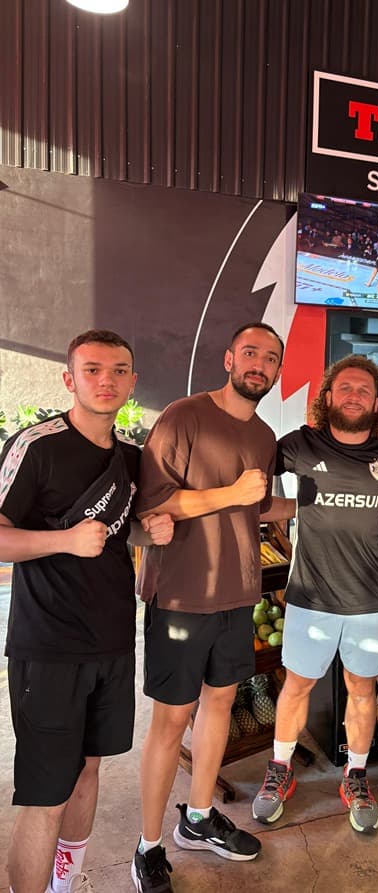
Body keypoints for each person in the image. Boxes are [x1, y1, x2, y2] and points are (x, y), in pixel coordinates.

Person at [0, 330, 174, 893]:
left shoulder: (131, 456)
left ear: (133, 381)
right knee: (45, 797)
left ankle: (64, 883)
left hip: (113, 642)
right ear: (69, 379)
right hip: (49, 648)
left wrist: (150, 531)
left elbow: (118, 534)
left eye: (118, 370)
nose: (106, 380)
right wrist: (64, 541)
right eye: (92, 370)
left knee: (89, 770)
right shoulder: (37, 446)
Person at [129, 322, 288, 893]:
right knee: (172, 720)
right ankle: (148, 847)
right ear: (228, 358)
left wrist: (324, 506)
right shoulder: (183, 416)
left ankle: (197, 819)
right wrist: (232, 494)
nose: (259, 364)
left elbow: (258, 507)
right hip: (181, 594)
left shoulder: (265, 435)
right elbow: (152, 504)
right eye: (250, 353)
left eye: (270, 358)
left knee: (220, 702)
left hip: (238, 593)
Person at [251, 355, 378, 833]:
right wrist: (289, 507)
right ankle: (280, 770)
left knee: (361, 690)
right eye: (344, 387)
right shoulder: (300, 444)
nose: (353, 396)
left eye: (364, 390)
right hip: (310, 598)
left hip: (367, 600)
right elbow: (250, 475)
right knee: (297, 686)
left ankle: (356, 776)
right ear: (327, 397)